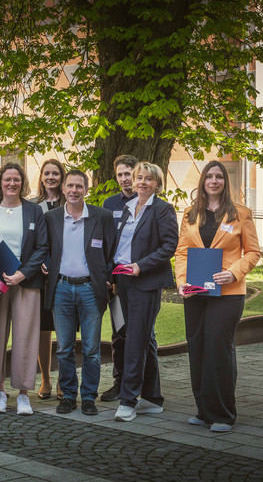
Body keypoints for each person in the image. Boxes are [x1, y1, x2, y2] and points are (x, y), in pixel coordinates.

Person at [175, 160, 261, 433]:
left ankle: (223, 414)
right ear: (202, 182)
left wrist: (234, 273)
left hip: (228, 293)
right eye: (209, 176)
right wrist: (180, 282)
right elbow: (182, 252)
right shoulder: (190, 213)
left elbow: (253, 252)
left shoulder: (240, 214)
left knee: (218, 349)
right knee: (198, 347)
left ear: (225, 181)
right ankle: (203, 410)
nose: (214, 181)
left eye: (219, 176)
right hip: (196, 292)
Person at [43, 170, 116, 417]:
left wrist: (106, 278)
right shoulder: (51, 217)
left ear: (86, 189)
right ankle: (67, 396)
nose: (74, 190)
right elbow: (43, 247)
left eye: (79, 186)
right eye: (70, 186)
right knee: (63, 348)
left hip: (90, 289)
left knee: (91, 349)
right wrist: (45, 262)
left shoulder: (101, 217)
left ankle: (88, 398)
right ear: (63, 189)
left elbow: (112, 251)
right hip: (61, 288)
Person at [112, 161, 178, 422]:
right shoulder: (128, 208)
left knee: (136, 340)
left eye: (148, 179)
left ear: (157, 184)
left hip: (145, 282)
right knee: (141, 338)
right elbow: (119, 245)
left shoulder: (162, 209)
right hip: (122, 281)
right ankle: (153, 397)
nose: (141, 182)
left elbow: (169, 246)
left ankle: (128, 400)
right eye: (139, 177)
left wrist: (140, 266)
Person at [0, 162, 49, 416]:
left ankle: (23, 394)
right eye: (7, 179)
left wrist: (22, 273)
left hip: (26, 283)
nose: (12, 184)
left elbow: (42, 247)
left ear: (22, 183)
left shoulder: (33, 211)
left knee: (26, 338)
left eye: (16, 180)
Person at [99, 153, 139, 402]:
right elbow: (103, 243)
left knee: (145, 334)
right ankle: (120, 383)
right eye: (120, 175)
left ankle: (142, 385)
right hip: (116, 281)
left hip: (141, 278)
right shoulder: (109, 204)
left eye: (129, 174)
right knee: (119, 333)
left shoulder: (149, 202)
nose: (125, 179)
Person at [33, 158, 65, 400]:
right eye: (47, 173)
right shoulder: (34, 206)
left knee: (65, 330)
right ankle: (45, 378)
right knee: (43, 330)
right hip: (41, 277)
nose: (51, 177)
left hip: (66, 275)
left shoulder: (72, 203)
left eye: (56, 173)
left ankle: (65, 379)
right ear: (41, 177)